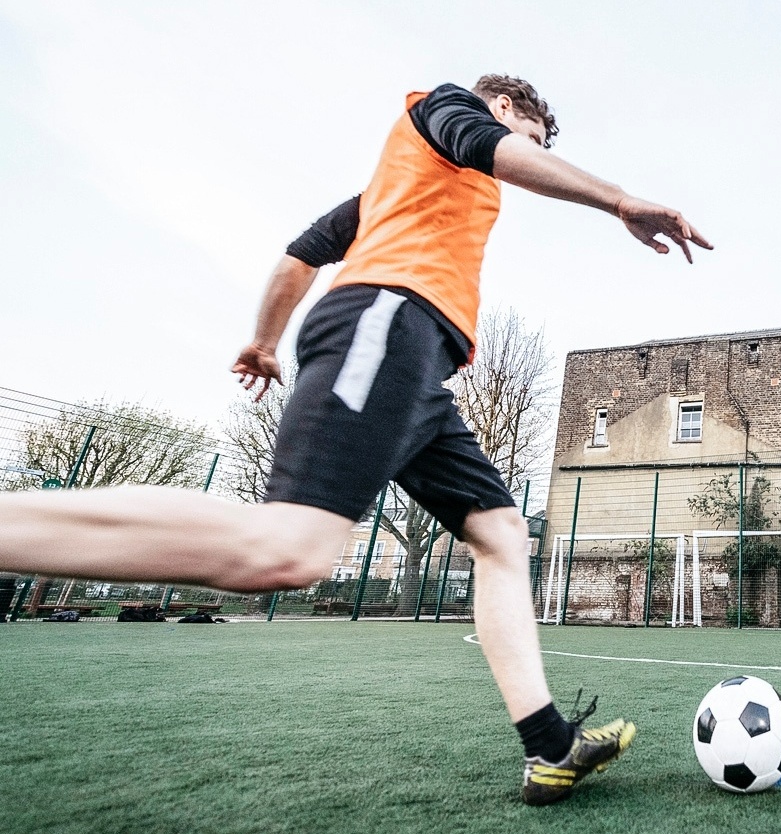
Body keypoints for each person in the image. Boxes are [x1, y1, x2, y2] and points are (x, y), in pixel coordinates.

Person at [0, 75, 712, 805]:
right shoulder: (449, 111)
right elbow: (489, 148)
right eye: (530, 136)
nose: (526, 153)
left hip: (420, 368)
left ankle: (550, 747)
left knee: (501, 532)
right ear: (503, 108)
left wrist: (265, 341)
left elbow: (298, 256)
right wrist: (618, 199)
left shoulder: (396, 190)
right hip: (386, 320)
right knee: (290, 548)